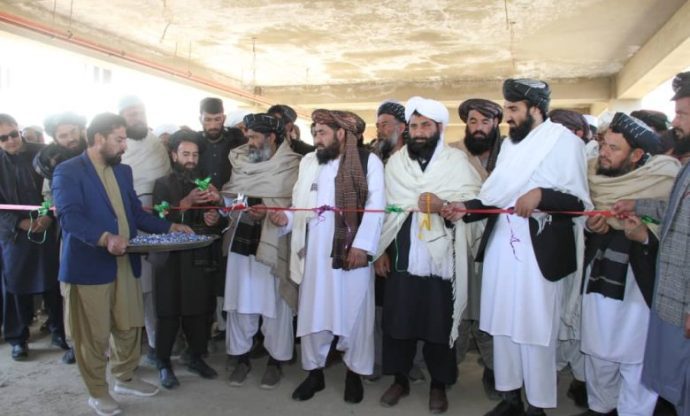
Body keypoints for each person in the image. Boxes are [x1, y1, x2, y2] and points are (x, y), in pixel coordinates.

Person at [448, 78, 591, 415]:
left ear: (535, 108)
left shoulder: (565, 143)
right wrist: (465, 208)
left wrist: (541, 195)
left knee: (534, 328)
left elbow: (578, 203)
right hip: (502, 249)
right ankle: (510, 398)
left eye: (513, 109)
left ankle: (537, 406)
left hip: (539, 254)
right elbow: (495, 198)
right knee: (502, 326)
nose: (508, 116)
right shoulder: (510, 146)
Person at [51, 112, 191, 415]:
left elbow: (135, 214)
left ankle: (125, 377)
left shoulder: (123, 171)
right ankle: (97, 392)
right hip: (89, 267)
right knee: (93, 336)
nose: (125, 146)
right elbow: (70, 217)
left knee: (129, 325)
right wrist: (105, 238)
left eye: (125, 139)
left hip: (125, 262)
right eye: (119, 139)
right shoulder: (67, 171)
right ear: (99, 138)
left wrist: (169, 227)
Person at [373, 97, 481, 413]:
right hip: (402, 253)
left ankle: (439, 385)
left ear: (439, 128)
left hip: (441, 257)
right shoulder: (396, 164)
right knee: (398, 321)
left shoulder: (456, 162)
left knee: (439, 324)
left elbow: (473, 202)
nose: (419, 132)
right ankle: (400, 379)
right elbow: (384, 211)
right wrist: (380, 251)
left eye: (425, 126)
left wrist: (443, 204)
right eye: (414, 126)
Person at [269, 109, 385, 403]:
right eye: (314, 133)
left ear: (341, 133)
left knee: (355, 311)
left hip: (352, 251)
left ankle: (354, 373)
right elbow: (300, 203)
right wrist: (285, 217)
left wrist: (362, 245)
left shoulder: (367, 161)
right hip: (316, 252)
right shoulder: (309, 161)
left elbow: (376, 205)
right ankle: (314, 373)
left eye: (322, 133)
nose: (316, 139)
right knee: (314, 311)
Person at [579, 112, 679, 416]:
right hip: (599, 283)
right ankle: (601, 408)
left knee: (637, 361)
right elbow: (582, 220)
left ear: (636, 155)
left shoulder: (663, 181)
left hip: (639, 288)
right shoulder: (590, 177)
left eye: (614, 148)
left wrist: (645, 236)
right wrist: (592, 228)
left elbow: (677, 236)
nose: (604, 153)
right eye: (603, 145)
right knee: (597, 356)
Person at [613, 71, 690, 416]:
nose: (676, 123)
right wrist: (637, 205)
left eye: (683, 114)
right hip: (673, 300)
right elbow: (676, 211)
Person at [221, 113, 301, 388]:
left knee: (275, 304)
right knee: (240, 300)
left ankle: (276, 362)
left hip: (274, 242)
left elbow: (300, 206)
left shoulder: (292, 166)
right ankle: (241, 359)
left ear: (272, 137)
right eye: (248, 136)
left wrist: (276, 213)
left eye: (254, 137)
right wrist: (224, 203)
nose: (250, 142)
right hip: (242, 238)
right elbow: (231, 199)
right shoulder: (240, 161)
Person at [151, 130, 221, 389]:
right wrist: (187, 202)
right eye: (185, 154)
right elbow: (158, 219)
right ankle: (163, 363)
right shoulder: (162, 184)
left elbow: (217, 219)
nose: (191, 160)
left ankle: (195, 357)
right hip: (169, 259)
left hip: (198, 257)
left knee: (198, 310)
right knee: (168, 312)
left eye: (195, 155)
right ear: (174, 155)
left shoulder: (206, 185)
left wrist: (213, 217)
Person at [448, 98, 504, 401]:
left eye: (485, 122)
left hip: (497, 242)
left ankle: (494, 371)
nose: (478, 128)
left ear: (496, 124)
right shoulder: (453, 154)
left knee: (489, 310)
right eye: (473, 122)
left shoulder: (510, 155)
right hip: (458, 240)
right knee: (456, 308)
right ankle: (449, 368)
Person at [0, 114, 66, 361]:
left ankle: (59, 331)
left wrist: (48, 215)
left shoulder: (43, 154)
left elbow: (57, 188)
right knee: (16, 285)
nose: (10, 141)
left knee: (53, 281)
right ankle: (18, 338)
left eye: (13, 134)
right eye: (3, 138)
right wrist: (20, 222)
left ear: (19, 131)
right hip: (14, 235)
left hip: (47, 227)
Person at [118, 95, 172, 367]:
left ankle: (154, 344)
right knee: (127, 291)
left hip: (156, 227)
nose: (136, 116)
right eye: (130, 113)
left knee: (153, 290)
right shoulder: (117, 149)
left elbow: (167, 183)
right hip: (123, 229)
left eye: (139, 111)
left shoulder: (156, 146)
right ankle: (124, 350)